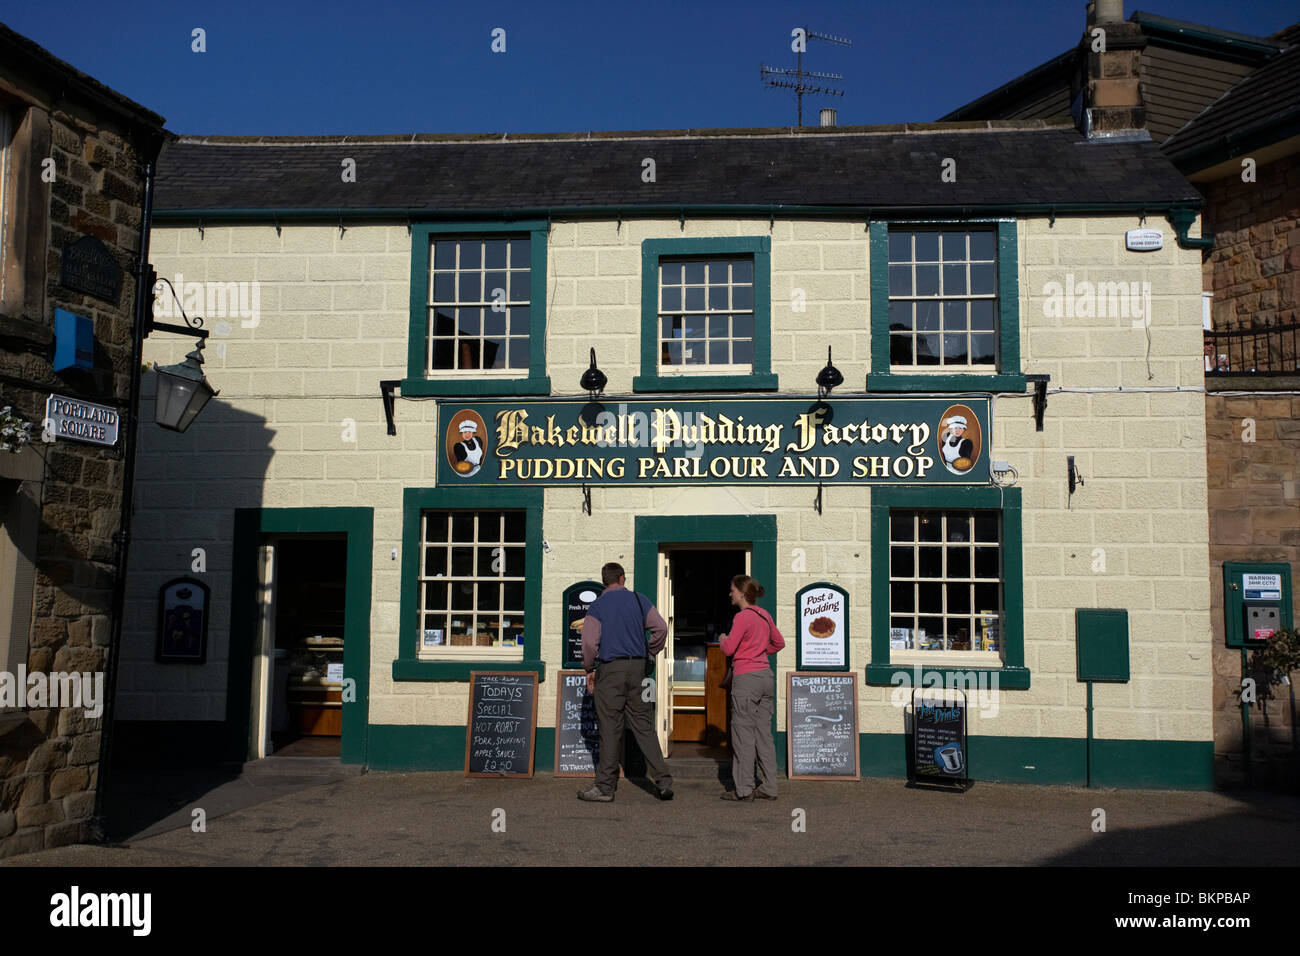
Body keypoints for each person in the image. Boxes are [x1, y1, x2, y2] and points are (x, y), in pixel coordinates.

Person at [577, 562, 674, 802]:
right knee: (643, 727)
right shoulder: (639, 600)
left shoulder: (597, 607)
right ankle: (663, 782)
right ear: (622, 578)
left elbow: (589, 644)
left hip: (610, 671)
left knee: (610, 730)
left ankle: (605, 788)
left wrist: (589, 668)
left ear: (604, 581)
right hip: (638, 669)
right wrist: (650, 650)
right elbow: (660, 628)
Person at [719, 575, 784, 801]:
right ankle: (769, 787)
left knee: (742, 735)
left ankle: (744, 789)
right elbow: (779, 643)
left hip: (746, 679)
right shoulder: (764, 615)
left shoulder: (742, 617)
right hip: (766, 676)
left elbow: (729, 649)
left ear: (741, 593)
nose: (730, 594)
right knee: (764, 736)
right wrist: (758, 653)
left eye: (732, 590)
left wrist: (722, 638)